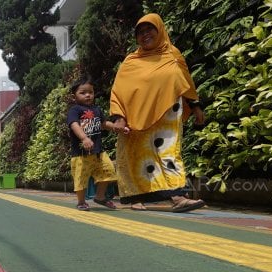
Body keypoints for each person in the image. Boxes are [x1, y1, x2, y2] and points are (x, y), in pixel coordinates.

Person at [110, 13, 206, 212]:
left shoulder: (173, 54)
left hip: (168, 113)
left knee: (169, 151)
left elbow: (185, 82)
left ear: (160, 30)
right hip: (136, 118)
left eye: (149, 30)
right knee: (138, 156)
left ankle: (179, 197)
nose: (145, 35)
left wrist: (195, 106)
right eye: (140, 32)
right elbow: (118, 91)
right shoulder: (130, 61)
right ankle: (136, 197)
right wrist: (119, 116)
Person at [67, 76, 126, 211]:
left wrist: (117, 128)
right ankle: (81, 202)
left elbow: (104, 123)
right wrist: (84, 138)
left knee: (108, 172)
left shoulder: (97, 110)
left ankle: (100, 197)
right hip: (81, 154)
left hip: (98, 152)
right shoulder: (75, 110)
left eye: (90, 92)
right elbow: (74, 125)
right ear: (74, 95)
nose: (88, 95)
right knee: (81, 179)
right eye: (83, 93)